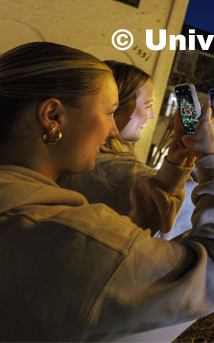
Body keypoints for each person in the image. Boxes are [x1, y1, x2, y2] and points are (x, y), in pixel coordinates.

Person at [0, 42, 214, 341]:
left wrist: (175, 166)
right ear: (52, 117)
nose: (111, 129)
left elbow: (124, 238)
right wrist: (213, 162)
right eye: (108, 112)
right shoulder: (69, 237)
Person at [60, 61, 194, 235]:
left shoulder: (70, 160)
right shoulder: (121, 174)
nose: (152, 115)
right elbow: (197, 205)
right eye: (147, 105)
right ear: (115, 107)